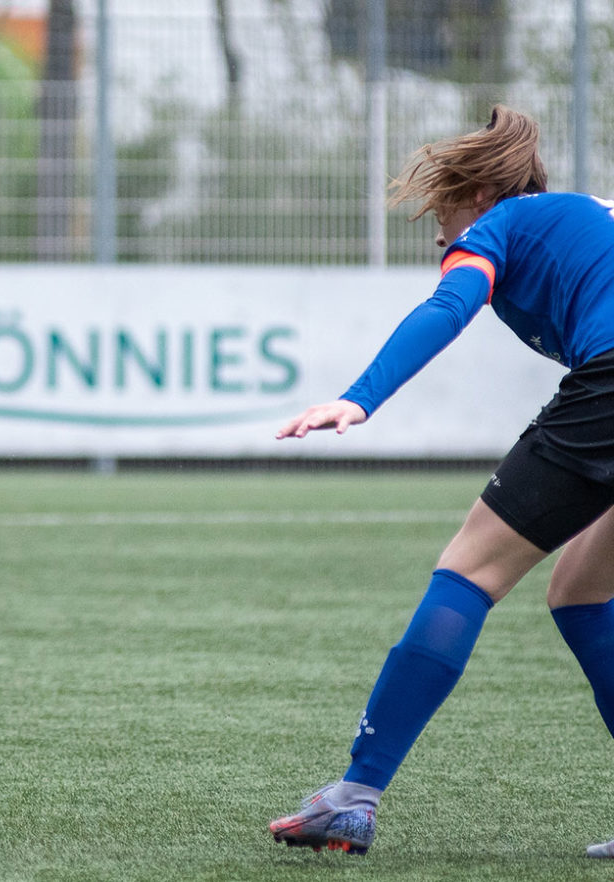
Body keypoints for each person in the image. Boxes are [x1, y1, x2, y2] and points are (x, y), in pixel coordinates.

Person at [268, 105, 614, 857]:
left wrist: (358, 398)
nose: (439, 233)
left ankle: (354, 795)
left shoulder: (506, 222)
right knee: (580, 590)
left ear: (482, 198)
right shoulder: (585, 221)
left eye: (444, 210)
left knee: (469, 571)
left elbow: (450, 304)